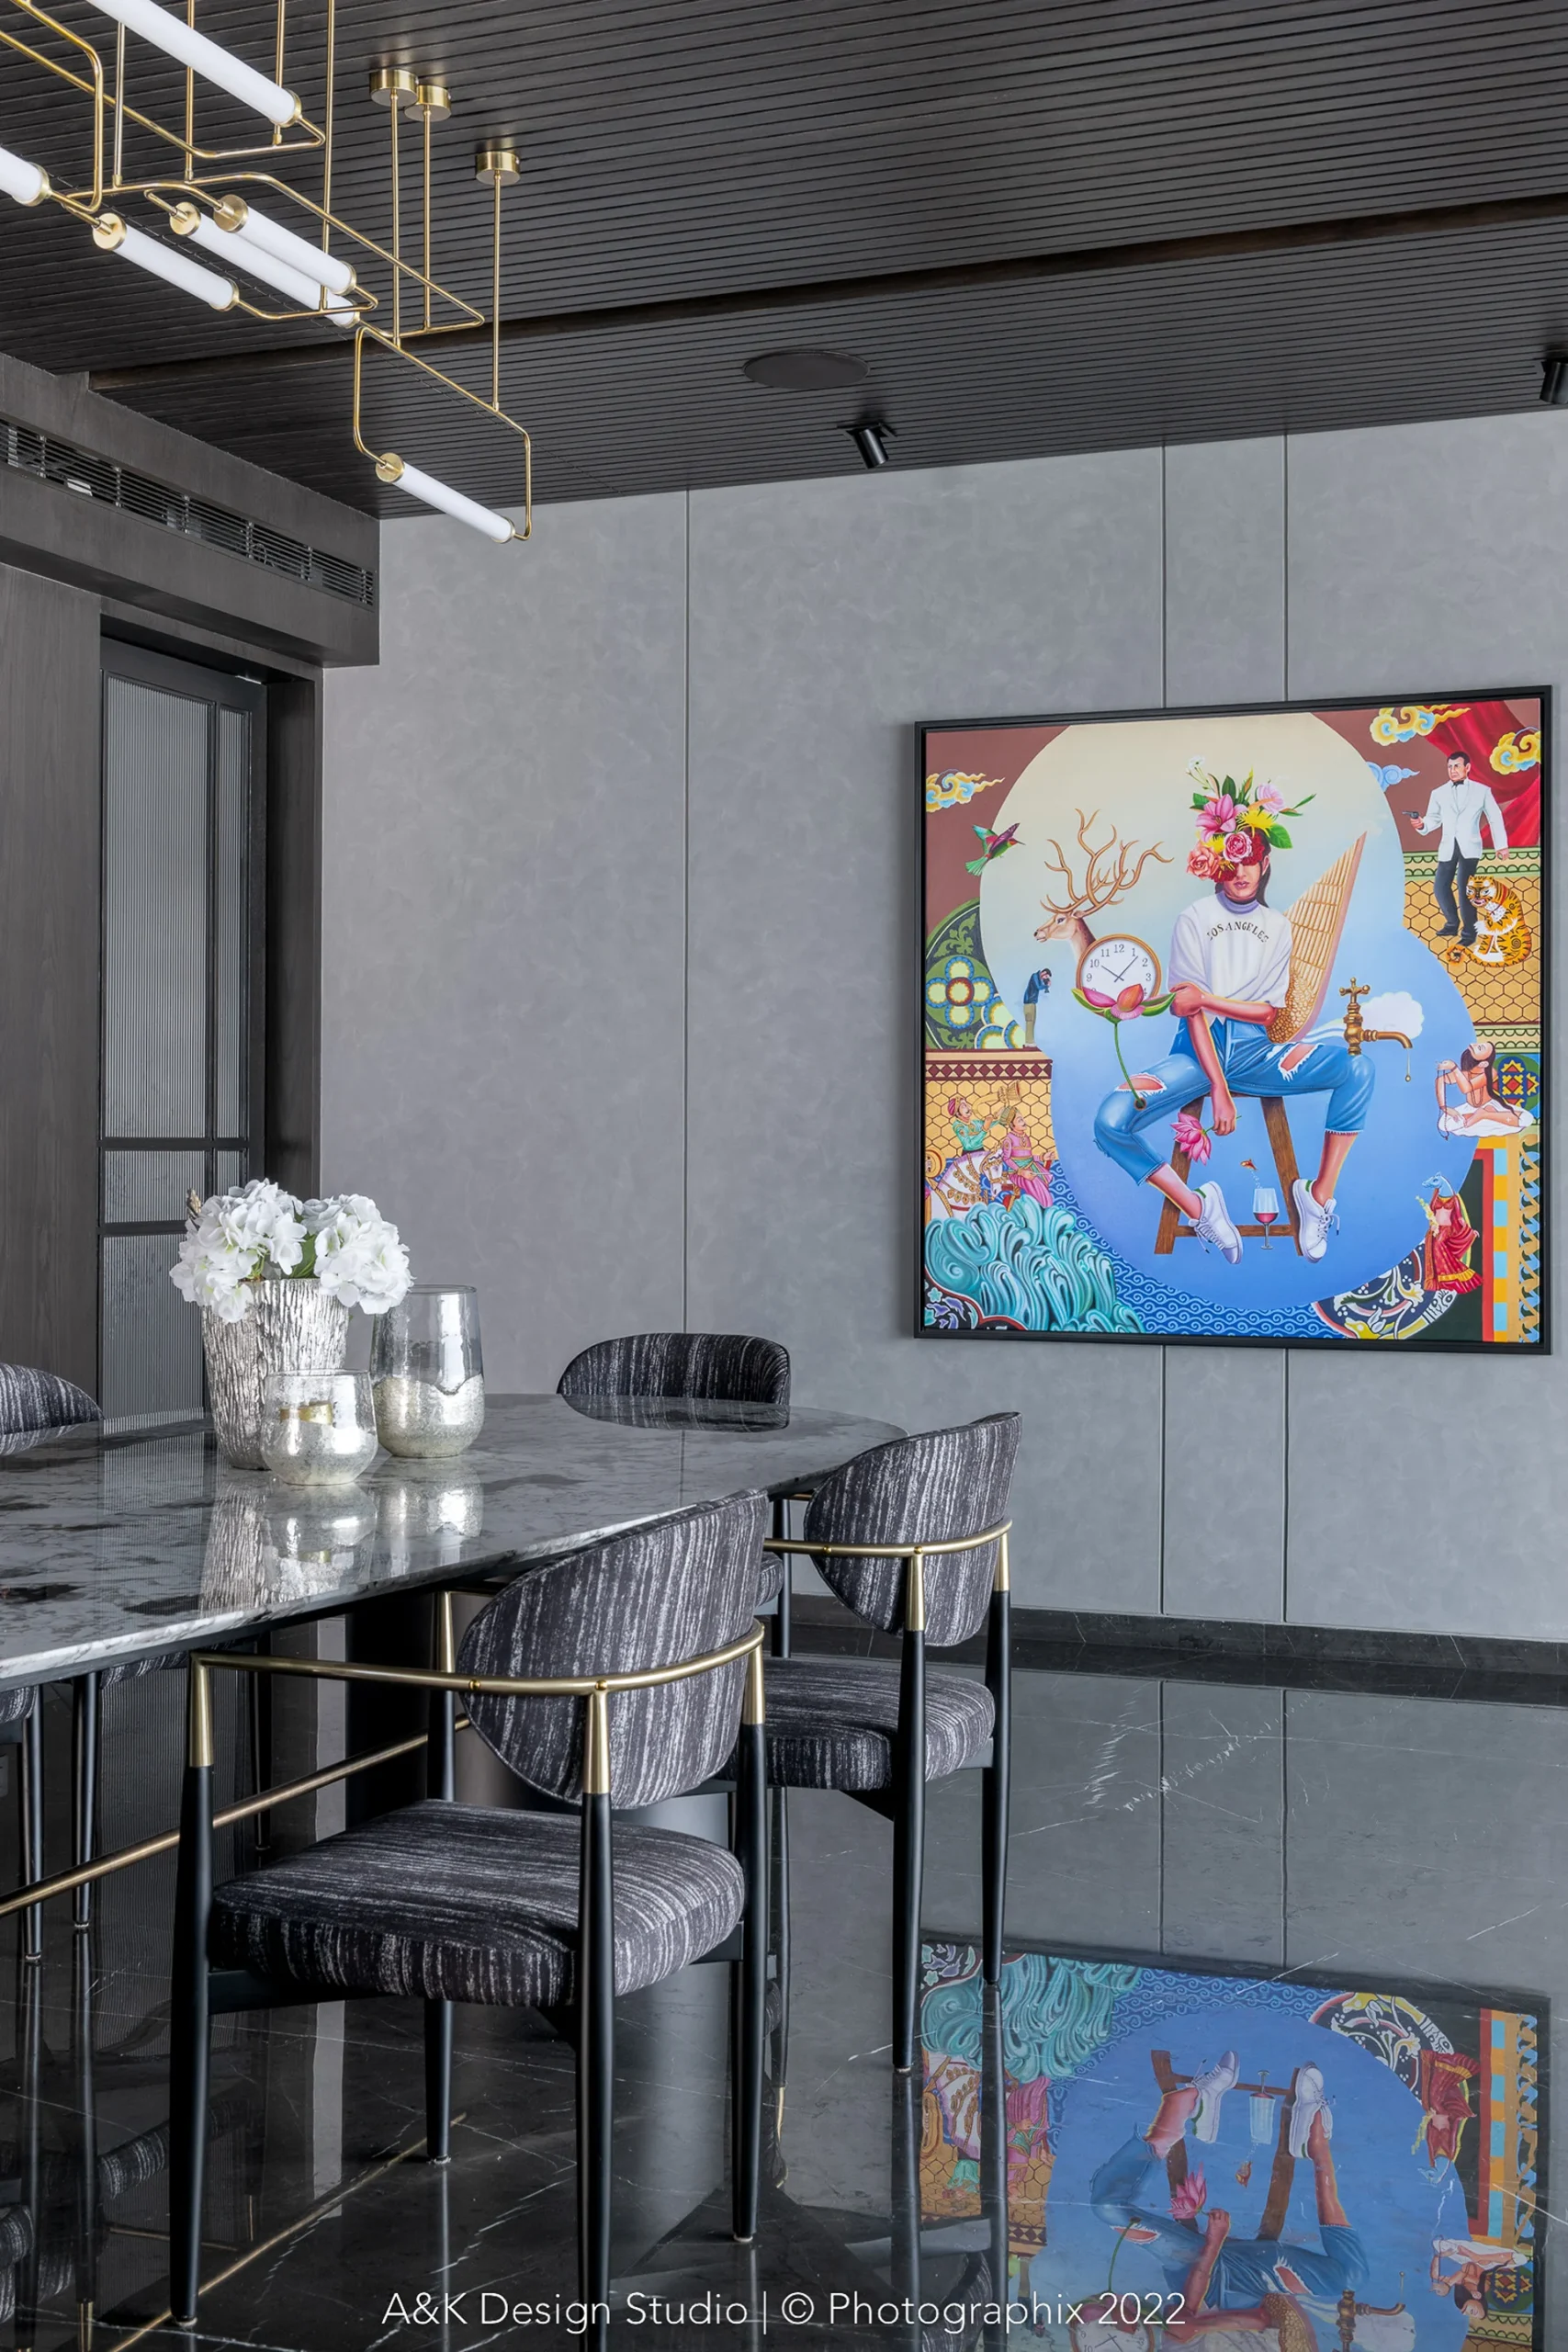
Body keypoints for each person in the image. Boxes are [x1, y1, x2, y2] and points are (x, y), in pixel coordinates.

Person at [1092, 830, 1372, 1264]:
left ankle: (1317, 1198)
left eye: (1250, 860)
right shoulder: (1194, 918)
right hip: (1193, 1058)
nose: (1241, 872)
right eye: (1231, 861)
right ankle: (1199, 1207)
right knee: (1109, 1122)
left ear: (1265, 864)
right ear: (1214, 866)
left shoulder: (1277, 926)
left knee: (1358, 1068)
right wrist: (1219, 1088)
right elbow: (1187, 1010)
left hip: (1257, 1055)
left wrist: (1205, 998)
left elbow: (1266, 1014)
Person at [1087, 2059, 1369, 2344]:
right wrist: (1199, 2325)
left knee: (1107, 2207)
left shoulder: (1165, 2333)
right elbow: (1258, 2319)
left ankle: (1172, 2119)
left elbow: (1187, 2310)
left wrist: (1211, 2244)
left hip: (1190, 2259)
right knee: (1353, 2276)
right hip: (1255, 2275)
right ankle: (1316, 2144)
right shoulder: (1179, 2335)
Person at [1407, 752, 1507, 947]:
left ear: (1467, 767)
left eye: (1457, 766)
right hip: (1448, 846)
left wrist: (1501, 845)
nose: (1452, 770)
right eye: (1450, 767)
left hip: (1470, 846)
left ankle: (1469, 932)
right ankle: (1452, 924)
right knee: (1440, 887)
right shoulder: (1438, 793)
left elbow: (1495, 817)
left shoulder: (1482, 791)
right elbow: (1433, 819)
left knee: (1465, 890)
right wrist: (1421, 824)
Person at [1434, 1038, 1532, 1136]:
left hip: (1490, 1105)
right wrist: (1444, 1108)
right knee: (1442, 1124)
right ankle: (1481, 1116)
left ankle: (1484, 1115)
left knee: (1527, 1119)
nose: (1472, 1044)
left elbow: (1466, 1088)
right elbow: (1440, 1080)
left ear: (1484, 1063)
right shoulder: (1464, 1074)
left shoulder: (1490, 1073)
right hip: (1470, 1109)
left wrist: (1454, 1068)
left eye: (1480, 1048)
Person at [1429, 2237, 1526, 2323]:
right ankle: (1477, 2256)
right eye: (1473, 2312)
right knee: (1521, 2259)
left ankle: (1462, 2251)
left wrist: (1439, 2256)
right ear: (1479, 2299)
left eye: (1469, 2313)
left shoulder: (1461, 2293)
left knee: (1438, 2244)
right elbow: (1463, 2275)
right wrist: (1448, 2284)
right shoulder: (1484, 2288)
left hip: (1464, 2258)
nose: (1468, 2314)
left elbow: (1438, 2276)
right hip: (1483, 2259)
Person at [1022, 962, 1052, 1046]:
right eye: (1046, 976)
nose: (1045, 978)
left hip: (1033, 1003)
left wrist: (1045, 985)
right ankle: (1029, 1042)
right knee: (1029, 1022)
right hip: (1029, 1003)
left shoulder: (1038, 979)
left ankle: (1030, 1041)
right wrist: (1046, 986)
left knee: (1032, 1022)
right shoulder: (1035, 976)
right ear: (1044, 973)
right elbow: (1038, 987)